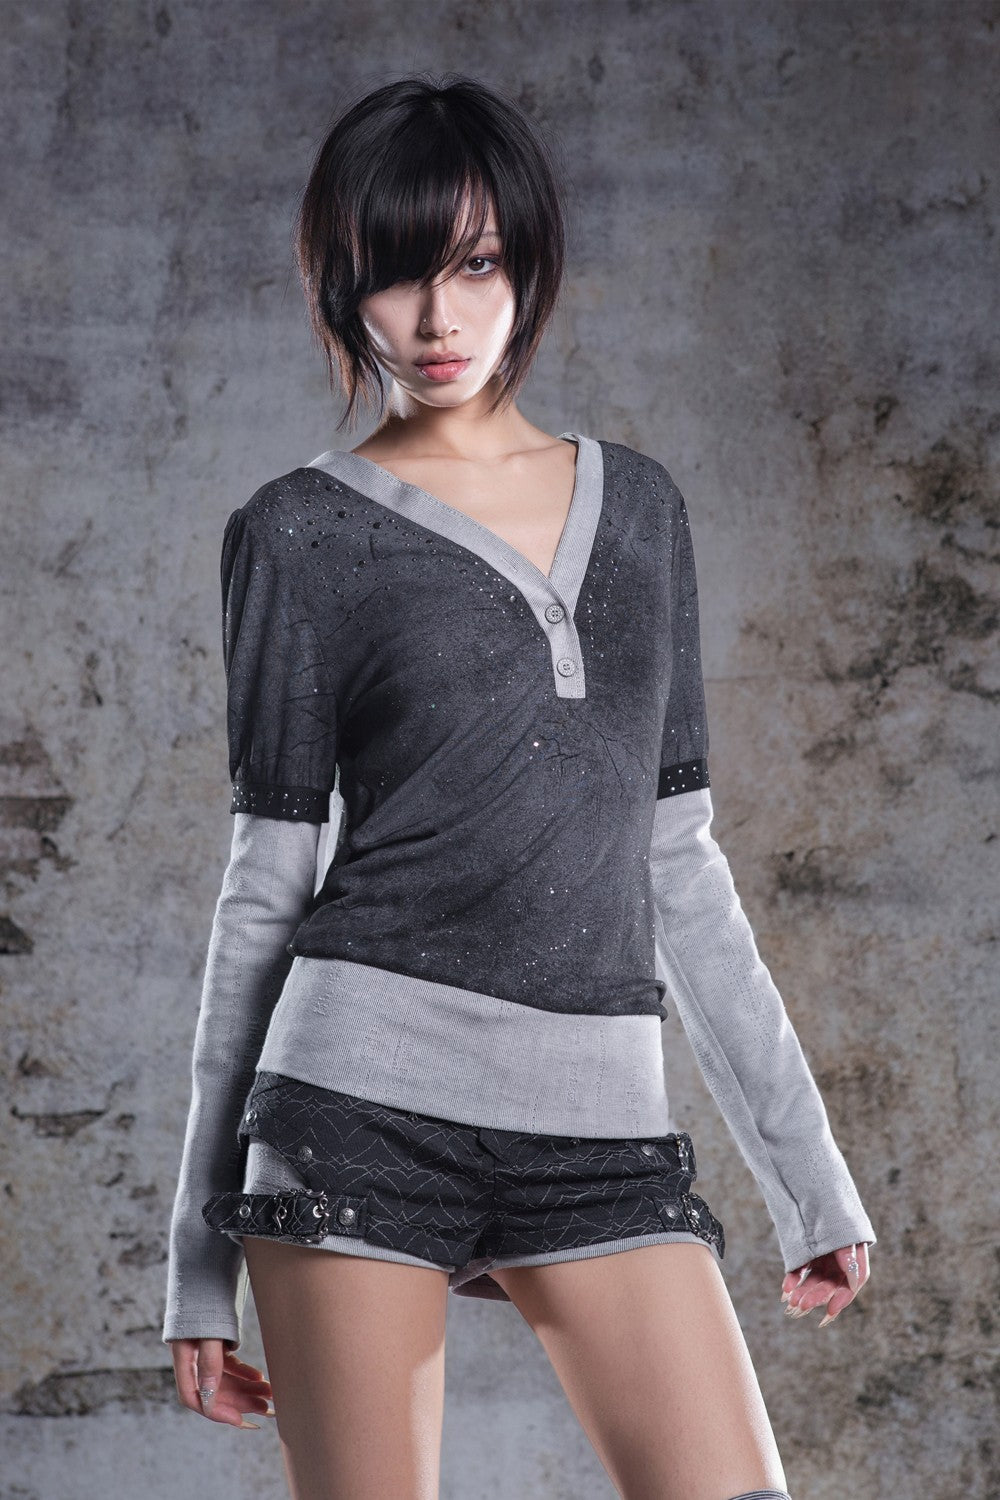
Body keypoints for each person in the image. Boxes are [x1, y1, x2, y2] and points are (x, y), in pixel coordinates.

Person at [162, 72, 876, 1500]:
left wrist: (812, 1181)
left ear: (530, 263)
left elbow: (678, 862)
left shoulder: (643, 511)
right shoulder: (298, 536)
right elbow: (264, 894)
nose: (438, 319)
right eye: (397, 272)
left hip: (602, 1132)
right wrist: (197, 1266)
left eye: (477, 264)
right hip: (353, 1107)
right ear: (343, 285)